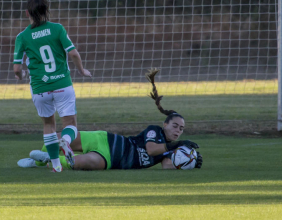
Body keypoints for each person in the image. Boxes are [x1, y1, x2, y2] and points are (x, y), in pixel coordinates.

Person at [17, 69, 203, 170]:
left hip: (110, 160)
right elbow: (151, 149)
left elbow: (167, 166)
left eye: (181, 129)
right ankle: (39, 161)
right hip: (106, 140)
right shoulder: (155, 131)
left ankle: (49, 161)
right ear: (165, 124)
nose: (178, 131)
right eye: (175, 126)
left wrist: (190, 161)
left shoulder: (168, 150)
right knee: (58, 138)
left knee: (78, 163)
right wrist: (178, 144)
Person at [13, 0, 92, 172]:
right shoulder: (57, 29)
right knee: (70, 124)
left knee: (48, 125)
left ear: (27, 13)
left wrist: (21, 75)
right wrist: (81, 70)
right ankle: (66, 141)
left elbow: (16, 68)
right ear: (47, 11)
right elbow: (73, 54)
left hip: (40, 88)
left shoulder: (22, 37)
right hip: (62, 84)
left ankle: (56, 165)